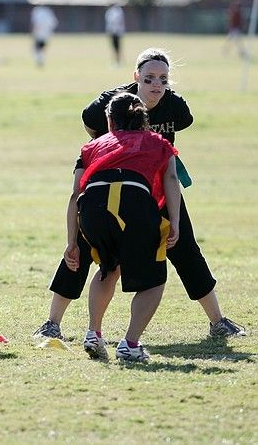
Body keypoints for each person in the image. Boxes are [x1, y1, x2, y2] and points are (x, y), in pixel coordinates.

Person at [34, 48, 246, 341]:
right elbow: (89, 121)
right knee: (82, 247)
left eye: (163, 79)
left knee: (183, 245)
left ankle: (218, 321)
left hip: (158, 184)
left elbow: (175, 154)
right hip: (111, 178)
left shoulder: (174, 106)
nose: (156, 85)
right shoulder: (113, 102)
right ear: (136, 78)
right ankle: (52, 323)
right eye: (148, 79)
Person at [68, 92, 181, 362]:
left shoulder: (92, 146)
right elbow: (172, 178)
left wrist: (72, 242)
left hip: (93, 206)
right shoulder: (158, 142)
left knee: (108, 266)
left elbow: (75, 195)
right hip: (134, 203)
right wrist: (175, 221)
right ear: (144, 121)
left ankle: (93, 333)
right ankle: (130, 344)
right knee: (153, 281)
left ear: (109, 121)